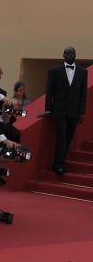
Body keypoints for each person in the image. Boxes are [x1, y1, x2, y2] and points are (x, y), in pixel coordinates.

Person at [45, 46, 87, 175]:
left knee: (68, 138)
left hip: (74, 112)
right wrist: (48, 109)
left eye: (72, 53)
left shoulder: (82, 71)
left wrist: (82, 112)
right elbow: (49, 92)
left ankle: (60, 162)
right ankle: (59, 165)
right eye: (68, 53)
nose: (70, 55)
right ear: (63, 55)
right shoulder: (55, 71)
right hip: (59, 111)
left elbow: (83, 93)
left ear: (76, 55)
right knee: (61, 137)